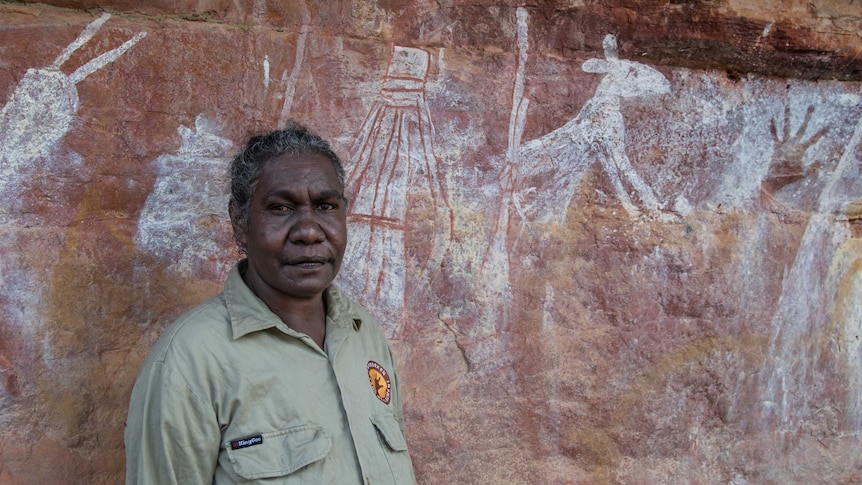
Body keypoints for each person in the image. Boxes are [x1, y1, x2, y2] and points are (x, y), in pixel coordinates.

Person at [124, 121, 416, 484]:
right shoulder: (189, 361)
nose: (309, 231)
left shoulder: (362, 333)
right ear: (240, 223)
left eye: (326, 206)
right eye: (280, 208)